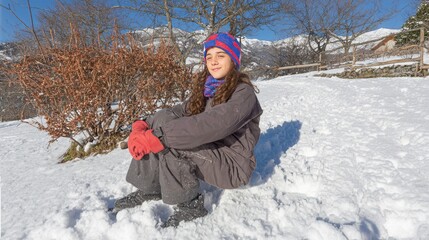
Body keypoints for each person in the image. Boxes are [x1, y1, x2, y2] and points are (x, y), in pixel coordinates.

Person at [111, 32, 263, 228]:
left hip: (233, 166)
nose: (213, 61)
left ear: (234, 59)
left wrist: (159, 137)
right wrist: (143, 125)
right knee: (162, 121)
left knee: (171, 140)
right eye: (209, 57)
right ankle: (150, 188)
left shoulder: (243, 93)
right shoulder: (209, 90)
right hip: (212, 154)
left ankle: (191, 205)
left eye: (221, 55)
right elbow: (176, 112)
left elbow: (214, 123)